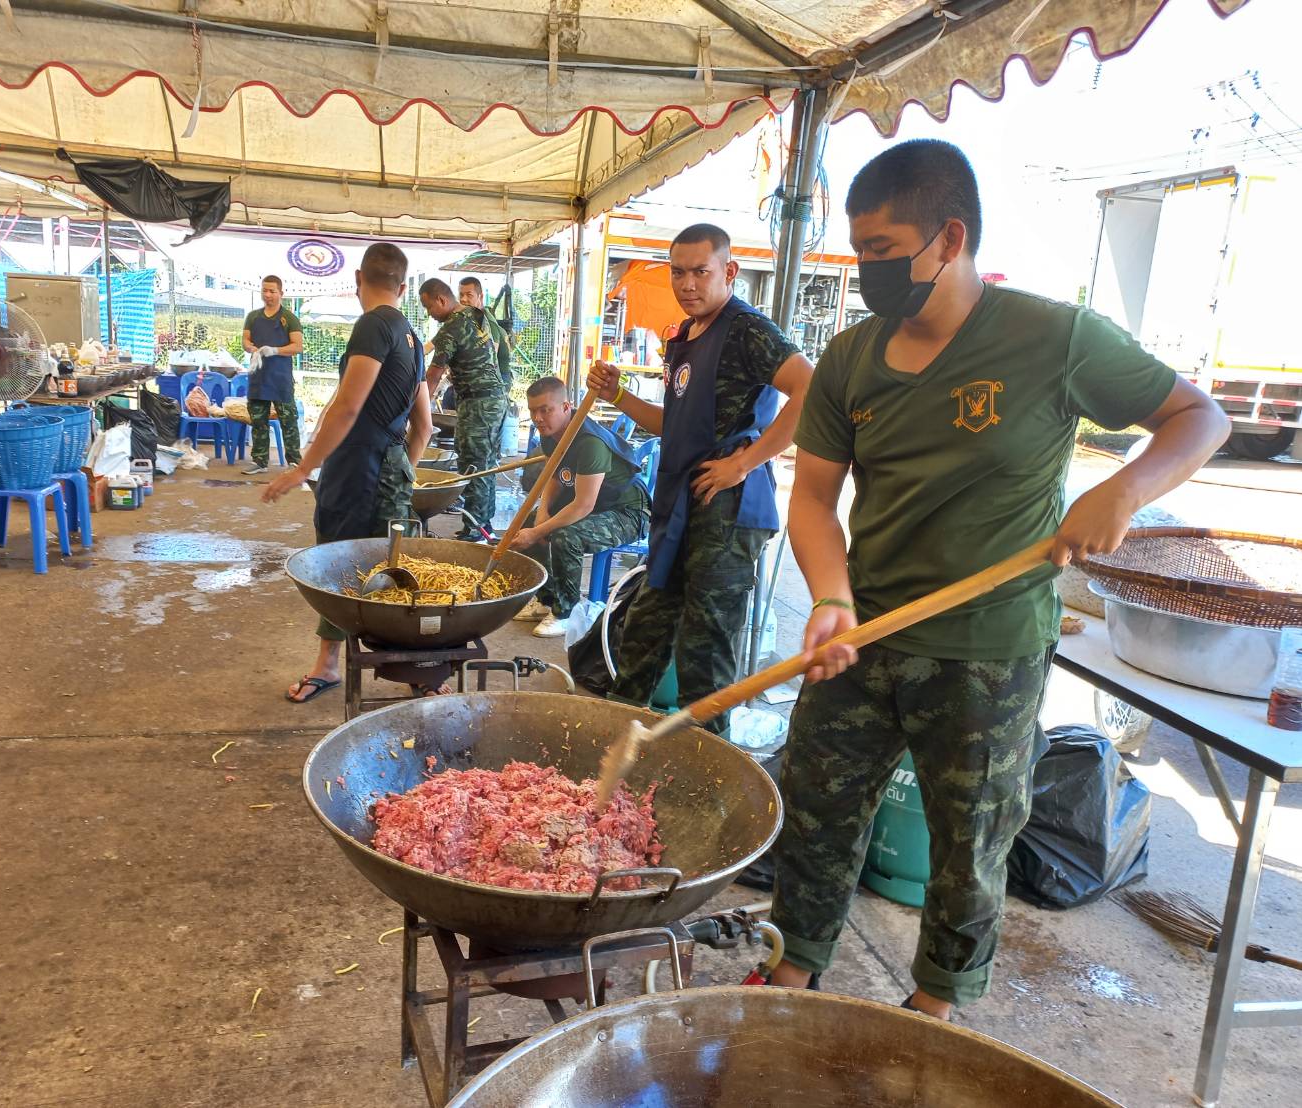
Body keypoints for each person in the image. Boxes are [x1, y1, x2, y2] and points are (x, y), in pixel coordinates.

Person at [769, 140, 1229, 1017]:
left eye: (881, 249)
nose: (867, 270)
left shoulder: (1053, 338)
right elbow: (814, 500)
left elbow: (1197, 417)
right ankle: (790, 970)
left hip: (988, 648)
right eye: (858, 250)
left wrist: (1121, 490)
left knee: (971, 837)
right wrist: (829, 595)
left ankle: (936, 1004)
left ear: (948, 238)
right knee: (817, 809)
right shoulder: (851, 358)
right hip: (862, 634)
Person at [586, 224, 813, 735]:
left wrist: (745, 462)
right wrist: (618, 395)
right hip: (679, 502)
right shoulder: (684, 337)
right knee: (644, 626)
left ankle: (708, 763)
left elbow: (810, 388)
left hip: (727, 507)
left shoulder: (748, 330)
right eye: (678, 273)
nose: (687, 284)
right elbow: (674, 423)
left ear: (729, 271)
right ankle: (615, 738)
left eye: (700, 272)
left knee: (705, 649)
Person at [262, 244, 433, 702]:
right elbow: (424, 426)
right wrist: (400, 470)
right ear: (403, 286)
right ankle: (417, 673)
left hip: (356, 470)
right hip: (388, 468)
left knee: (339, 565)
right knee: (390, 569)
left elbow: (348, 407)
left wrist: (303, 467)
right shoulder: (412, 336)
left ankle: (328, 665)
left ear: (358, 278)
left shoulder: (374, 325)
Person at [510, 375, 650, 637]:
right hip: (595, 503)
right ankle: (546, 600)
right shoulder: (551, 434)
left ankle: (567, 612)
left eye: (545, 410)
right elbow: (555, 475)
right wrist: (542, 513)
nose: (538, 418)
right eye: (533, 411)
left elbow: (583, 506)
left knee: (566, 536)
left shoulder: (589, 442)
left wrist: (539, 531)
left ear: (566, 407)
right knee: (530, 523)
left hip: (627, 511)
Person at [420, 278, 505, 540]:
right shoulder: (475, 315)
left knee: (473, 466)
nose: (429, 313)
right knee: (487, 465)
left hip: (478, 404)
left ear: (441, 300)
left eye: (429, 306)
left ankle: (474, 530)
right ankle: (484, 525)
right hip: (495, 400)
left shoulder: (452, 327)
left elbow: (432, 376)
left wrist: (418, 413)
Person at [241, 275, 305, 475]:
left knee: (289, 421)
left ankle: (294, 462)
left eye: (272, 291)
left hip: (280, 379)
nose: (267, 295)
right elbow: (245, 340)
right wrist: (252, 349)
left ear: (281, 293)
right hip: (258, 378)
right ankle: (260, 461)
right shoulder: (253, 317)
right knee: (258, 421)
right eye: (265, 290)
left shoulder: (289, 318)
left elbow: (298, 346)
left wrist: (275, 350)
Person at [458, 276, 513, 394]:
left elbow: (489, 360)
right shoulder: (466, 319)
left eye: (469, 295)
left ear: (481, 297)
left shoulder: (487, 322)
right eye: (461, 295)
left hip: (498, 377)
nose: (463, 299)